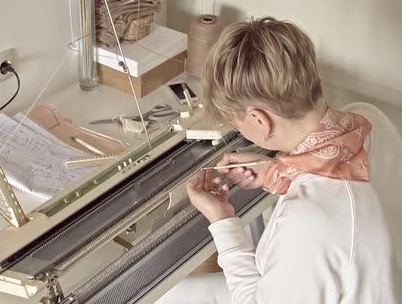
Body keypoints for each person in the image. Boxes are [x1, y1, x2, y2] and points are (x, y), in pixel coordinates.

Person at [159, 17, 402, 304]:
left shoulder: (308, 222)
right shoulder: (369, 118)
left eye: (236, 123)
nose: (238, 129)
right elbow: (329, 169)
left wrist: (222, 220)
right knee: (174, 294)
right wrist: (276, 170)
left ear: (259, 120)